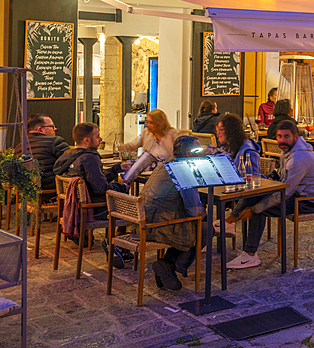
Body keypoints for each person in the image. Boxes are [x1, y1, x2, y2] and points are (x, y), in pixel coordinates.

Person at [226, 120, 314, 270]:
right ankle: (232, 220)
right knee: (255, 195)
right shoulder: (289, 150)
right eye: (279, 136)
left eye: (286, 136)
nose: (282, 140)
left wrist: (255, 209)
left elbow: (286, 192)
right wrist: (272, 179)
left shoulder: (299, 158)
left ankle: (249, 255)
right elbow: (283, 176)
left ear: (295, 136)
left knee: (257, 208)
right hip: (297, 193)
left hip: (310, 201)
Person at [53, 122, 130, 263]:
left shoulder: (68, 155)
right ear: (87, 140)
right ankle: (117, 247)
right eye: (98, 136)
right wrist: (123, 188)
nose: (100, 139)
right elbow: (101, 189)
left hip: (74, 208)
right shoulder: (90, 158)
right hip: (94, 209)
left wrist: (115, 169)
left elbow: (94, 181)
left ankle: (117, 246)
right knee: (130, 209)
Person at [143, 136, 212, 291]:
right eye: (198, 150)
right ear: (188, 154)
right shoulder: (185, 170)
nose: (201, 153)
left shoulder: (165, 165)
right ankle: (171, 266)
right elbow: (194, 211)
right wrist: (205, 215)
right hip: (160, 226)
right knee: (205, 229)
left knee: (196, 225)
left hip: (145, 221)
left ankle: (167, 266)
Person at [26, 113, 69, 190]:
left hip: (27, 193)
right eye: (52, 126)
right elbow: (72, 161)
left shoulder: (20, 147)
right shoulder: (55, 141)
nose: (55, 129)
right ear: (40, 129)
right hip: (52, 192)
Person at [216, 113, 261, 177]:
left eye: (221, 130)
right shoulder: (226, 148)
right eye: (217, 130)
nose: (218, 133)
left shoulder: (248, 152)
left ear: (231, 131)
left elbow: (254, 177)